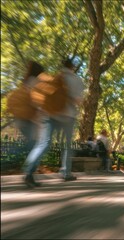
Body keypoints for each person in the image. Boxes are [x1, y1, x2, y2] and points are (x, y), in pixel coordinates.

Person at [23, 58, 85, 187]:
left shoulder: (53, 76)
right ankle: (65, 173)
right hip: (68, 116)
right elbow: (78, 101)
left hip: (50, 114)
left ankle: (28, 172)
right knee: (67, 145)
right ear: (73, 67)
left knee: (43, 143)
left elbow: (41, 95)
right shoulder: (77, 80)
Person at [14, 61, 44, 152]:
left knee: (32, 145)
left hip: (21, 117)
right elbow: (35, 101)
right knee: (34, 145)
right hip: (30, 118)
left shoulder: (26, 81)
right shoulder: (35, 81)